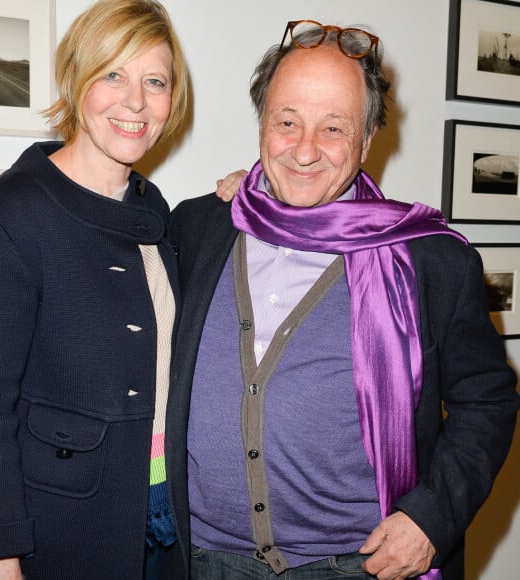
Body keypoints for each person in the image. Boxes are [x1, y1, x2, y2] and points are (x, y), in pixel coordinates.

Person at [168, 20, 519, 580]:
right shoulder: (198, 227)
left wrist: (432, 518)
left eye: (333, 128)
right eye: (287, 122)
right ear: (263, 124)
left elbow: (488, 403)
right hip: (204, 562)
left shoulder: (431, 261)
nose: (304, 151)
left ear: (366, 139)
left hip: (358, 567)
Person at [0, 1, 191, 578]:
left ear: (171, 100)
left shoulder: (154, 210)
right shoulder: (15, 211)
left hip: (154, 509)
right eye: (113, 74)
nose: (135, 101)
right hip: (52, 528)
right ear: (78, 80)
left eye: (155, 81)